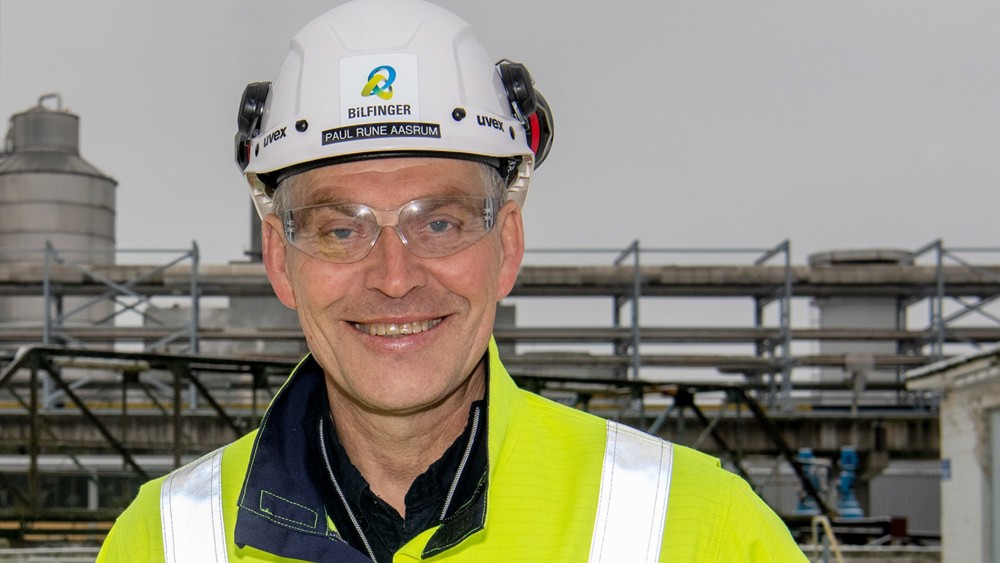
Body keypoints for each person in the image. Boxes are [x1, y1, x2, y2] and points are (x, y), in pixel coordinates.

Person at [97, 0, 807, 561]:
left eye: (438, 223)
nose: (395, 277)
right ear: (280, 260)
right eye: (342, 228)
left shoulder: (700, 533)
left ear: (508, 243)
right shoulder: (163, 544)